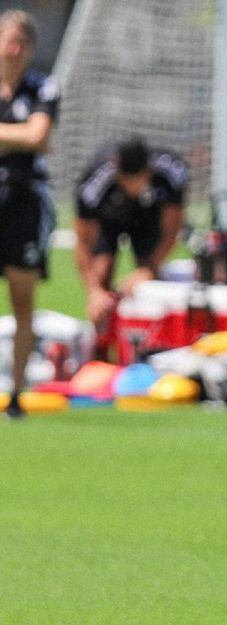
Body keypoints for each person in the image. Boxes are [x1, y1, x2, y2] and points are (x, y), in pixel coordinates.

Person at [0, 10, 59, 419]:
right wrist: (18, 139)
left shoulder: (43, 87)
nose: (12, 47)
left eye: (21, 40)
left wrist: (25, 140)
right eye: (6, 38)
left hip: (23, 203)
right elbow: (28, 137)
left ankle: (17, 394)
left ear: (30, 48)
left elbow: (39, 136)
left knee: (23, 299)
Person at [74, 139, 187, 326]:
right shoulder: (93, 184)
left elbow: (171, 231)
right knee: (101, 271)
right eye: (127, 182)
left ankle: (149, 335)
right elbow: (83, 242)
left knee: (149, 280)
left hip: (148, 214)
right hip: (109, 217)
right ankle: (101, 338)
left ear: (148, 171)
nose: (132, 188)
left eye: (137, 181)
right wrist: (94, 291)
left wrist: (148, 269)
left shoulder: (171, 172)